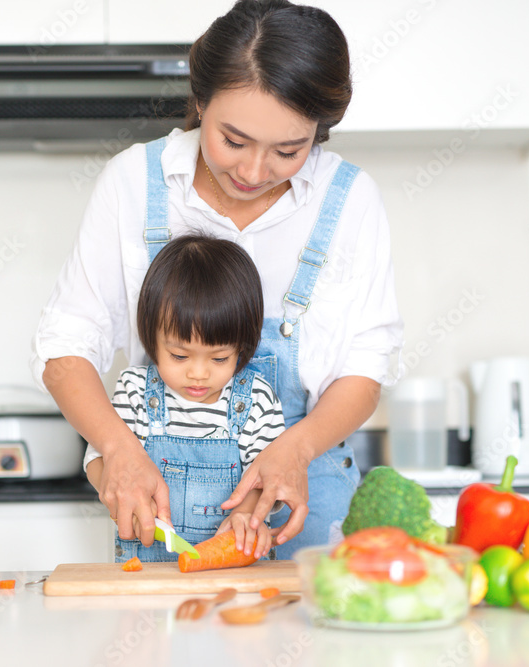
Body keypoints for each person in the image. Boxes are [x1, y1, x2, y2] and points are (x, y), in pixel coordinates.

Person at [33, 0, 403, 559]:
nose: (254, 172)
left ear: (319, 132)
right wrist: (116, 447)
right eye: (233, 140)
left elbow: (365, 367)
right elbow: (65, 345)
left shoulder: (350, 200)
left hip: (308, 498)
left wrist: (294, 452)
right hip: (162, 508)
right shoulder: (133, 182)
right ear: (200, 101)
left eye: (289, 150)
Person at [84, 234, 285, 562]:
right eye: (180, 356)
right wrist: (117, 494)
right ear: (152, 339)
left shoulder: (256, 399)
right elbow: (98, 458)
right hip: (145, 579)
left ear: (242, 348)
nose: (199, 373)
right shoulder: (136, 391)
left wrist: (246, 516)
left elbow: (267, 478)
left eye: (219, 359)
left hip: (231, 580)